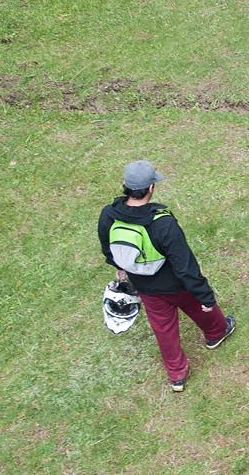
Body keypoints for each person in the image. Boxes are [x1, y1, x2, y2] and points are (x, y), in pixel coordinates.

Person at [98, 160, 235, 391]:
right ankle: (217, 332)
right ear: (151, 187)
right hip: (175, 284)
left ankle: (177, 375)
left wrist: (120, 268)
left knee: (163, 329)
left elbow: (107, 247)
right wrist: (206, 297)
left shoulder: (109, 214)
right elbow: (185, 267)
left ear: (125, 185)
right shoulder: (163, 223)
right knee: (196, 307)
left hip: (143, 285)